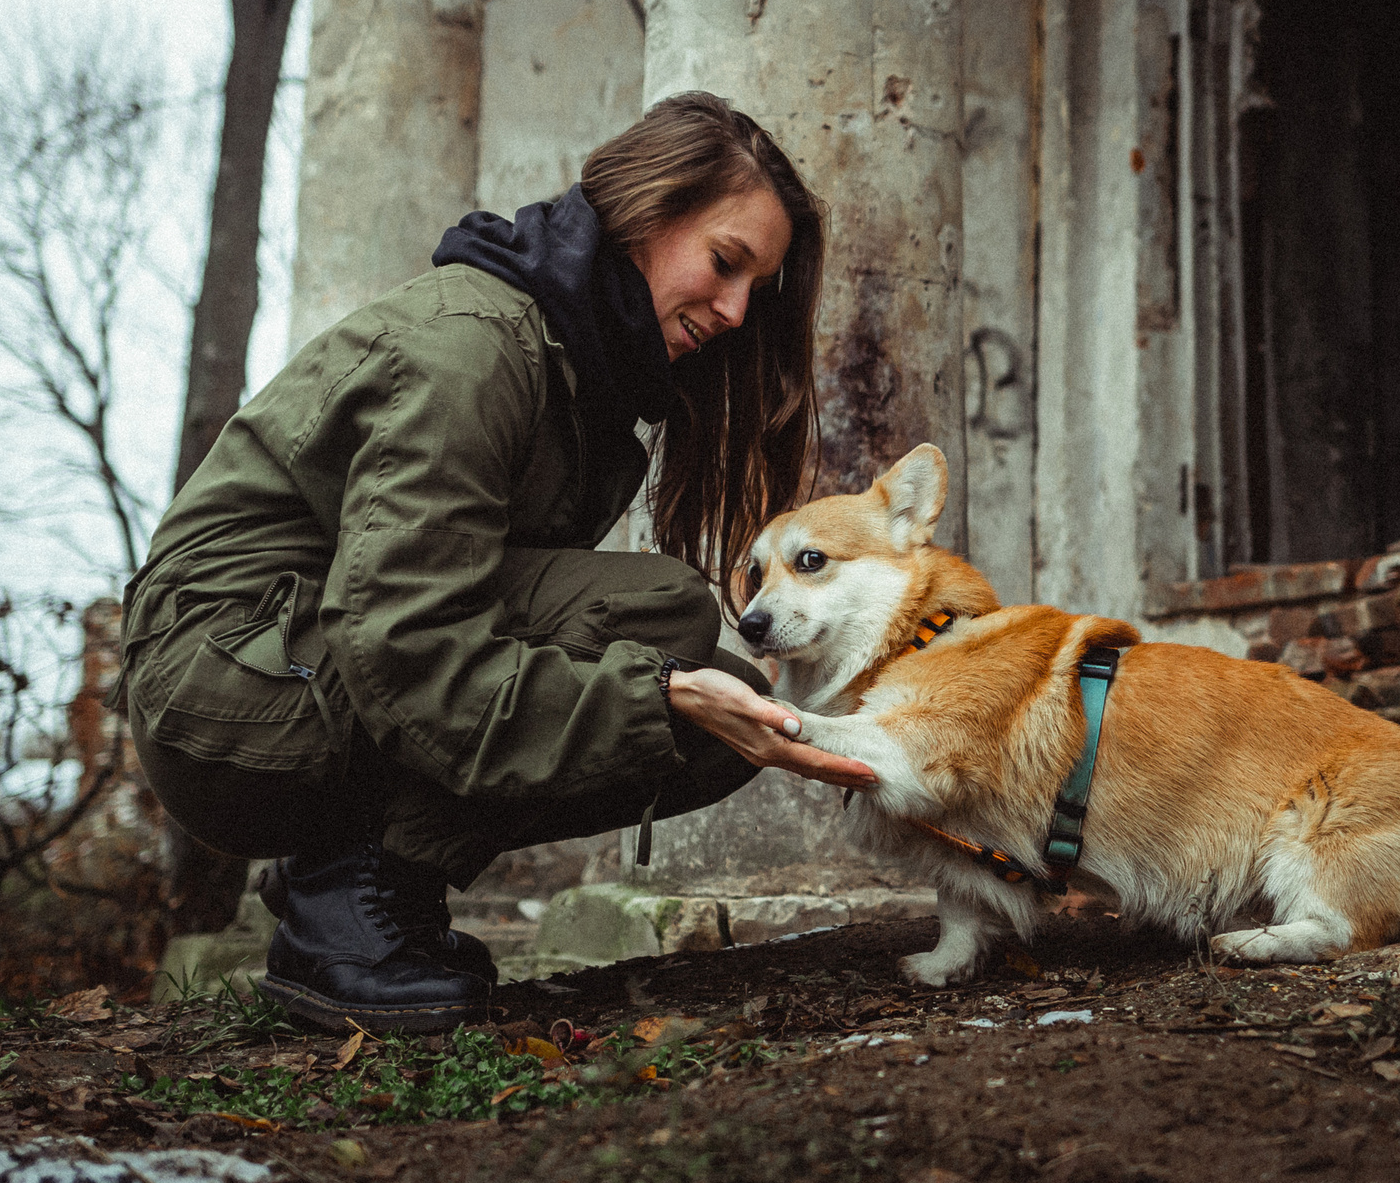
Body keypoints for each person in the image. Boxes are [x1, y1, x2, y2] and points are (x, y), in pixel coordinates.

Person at [117, 92, 876, 1033]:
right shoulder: (474, 350)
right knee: (666, 645)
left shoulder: (578, 374)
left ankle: (363, 887)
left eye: (753, 291)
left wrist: (673, 697)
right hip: (223, 682)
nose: (732, 310)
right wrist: (655, 696)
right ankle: (344, 908)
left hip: (305, 659)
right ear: (645, 209)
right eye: (725, 264)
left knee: (701, 685)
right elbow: (410, 652)